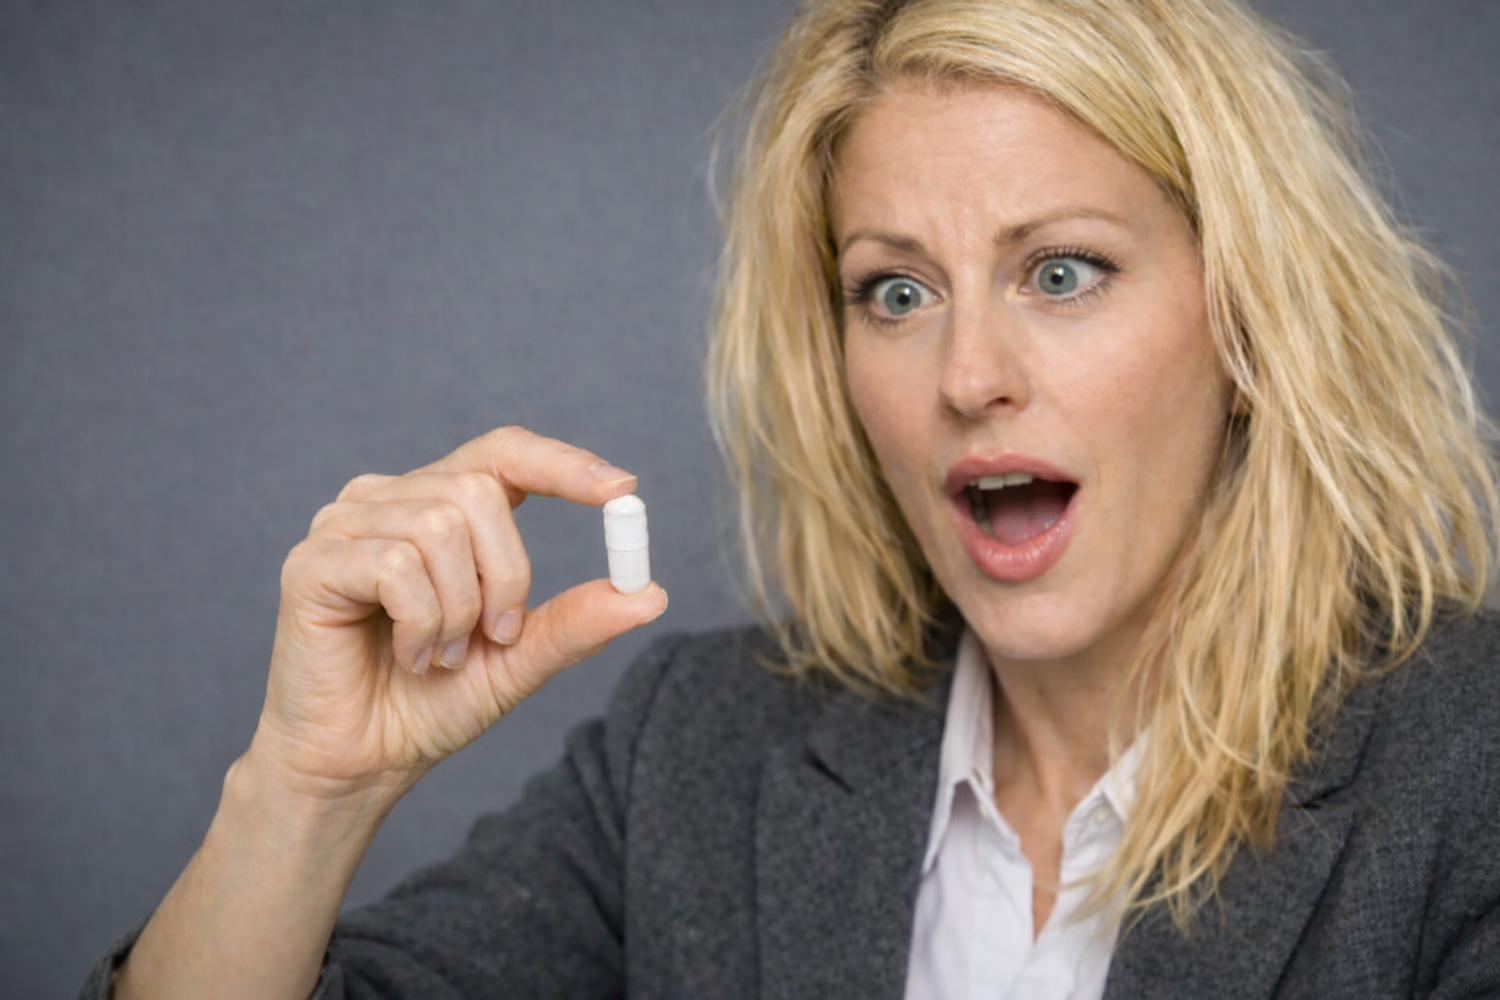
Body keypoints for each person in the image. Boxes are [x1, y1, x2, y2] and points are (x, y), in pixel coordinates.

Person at [85, 0, 1500, 996]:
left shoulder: (1467, 773)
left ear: (1246, 326)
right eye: (896, 292)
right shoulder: (700, 753)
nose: (969, 376)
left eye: (1061, 272)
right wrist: (306, 793)